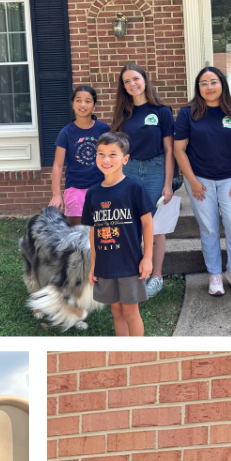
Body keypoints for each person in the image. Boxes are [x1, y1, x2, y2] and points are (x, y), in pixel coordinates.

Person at [173, 66, 231, 297]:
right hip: (200, 180)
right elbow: (179, 150)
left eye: (213, 82)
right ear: (198, 87)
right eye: (204, 83)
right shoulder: (188, 113)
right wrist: (193, 182)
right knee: (209, 229)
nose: (209, 87)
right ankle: (214, 274)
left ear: (222, 84)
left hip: (230, 179)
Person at [109, 63, 174, 298]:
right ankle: (133, 274)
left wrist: (168, 184)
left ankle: (156, 277)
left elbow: (169, 149)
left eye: (135, 79)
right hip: (130, 171)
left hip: (157, 169)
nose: (132, 84)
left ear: (145, 80)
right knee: (129, 224)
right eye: (126, 82)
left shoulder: (162, 111)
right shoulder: (122, 114)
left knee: (155, 226)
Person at [82, 132, 154, 338]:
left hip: (130, 263)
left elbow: (148, 223)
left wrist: (147, 257)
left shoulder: (134, 187)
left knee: (131, 311)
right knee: (116, 311)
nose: (106, 159)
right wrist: (94, 264)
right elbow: (94, 231)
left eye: (113, 154)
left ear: (125, 159)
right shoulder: (93, 193)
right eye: (101, 154)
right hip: (105, 265)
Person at [49, 84, 110, 225]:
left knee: (103, 231)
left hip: (101, 187)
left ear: (94, 105)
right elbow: (57, 166)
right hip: (75, 189)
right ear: (72, 104)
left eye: (88, 100)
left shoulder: (104, 129)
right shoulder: (66, 133)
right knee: (78, 235)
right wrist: (56, 195)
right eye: (78, 100)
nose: (83, 104)